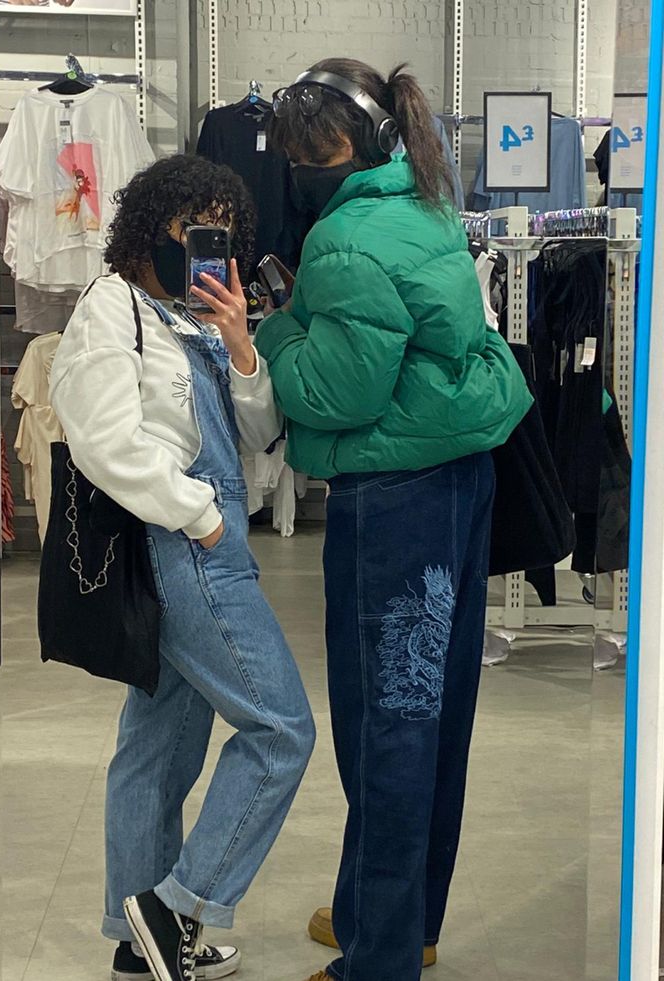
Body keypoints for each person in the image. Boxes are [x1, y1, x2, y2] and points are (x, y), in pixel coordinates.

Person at [255, 59, 533, 981]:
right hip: (457, 486)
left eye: (303, 152)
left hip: (393, 502)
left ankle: (377, 960)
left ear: (333, 147)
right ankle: (401, 921)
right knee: (432, 715)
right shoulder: (427, 206)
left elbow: (336, 390)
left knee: (386, 729)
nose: (298, 171)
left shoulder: (344, 239)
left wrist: (272, 330)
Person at [50, 155, 316, 981]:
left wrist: (242, 345)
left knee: (158, 750)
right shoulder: (110, 309)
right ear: (148, 228)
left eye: (222, 234)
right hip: (183, 545)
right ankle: (178, 909)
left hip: (207, 537)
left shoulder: (194, 321)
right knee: (281, 731)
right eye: (192, 229)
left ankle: (140, 949)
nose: (209, 246)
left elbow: (264, 433)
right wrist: (200, 519)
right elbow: (103, 440)